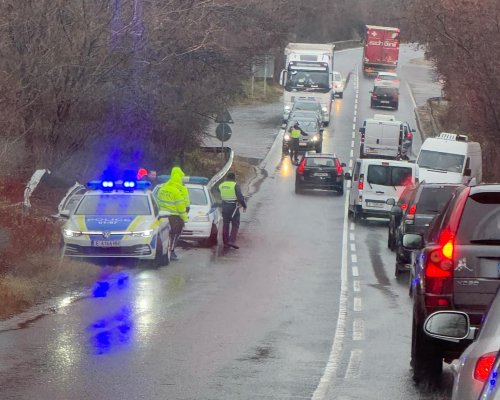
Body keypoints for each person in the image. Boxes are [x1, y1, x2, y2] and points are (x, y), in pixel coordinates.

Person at [155, 170, 188, 261]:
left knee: (163, 235)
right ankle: (172, 251)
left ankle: (162, 251)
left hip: (161, 216)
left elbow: (156, 202)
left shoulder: (162, 188)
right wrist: (185, 218)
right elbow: (181, 207)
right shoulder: (177, 191)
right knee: (174, 235)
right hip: (175, 217)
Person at [218, 172, 247, 249]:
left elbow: (219, 193)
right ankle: (231, 241)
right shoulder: (235, 185)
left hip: (224, 206)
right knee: (235, 224)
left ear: (227, 178)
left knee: (225, 224)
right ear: (234, 178)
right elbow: (240, 198)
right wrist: (244, 206)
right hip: (233, 207)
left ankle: (225, 242)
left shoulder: (221, 185)